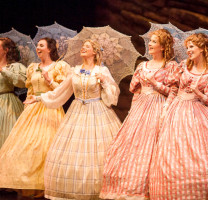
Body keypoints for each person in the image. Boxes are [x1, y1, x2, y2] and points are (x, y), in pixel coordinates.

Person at [25, 39, 122, 200]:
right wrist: (38, 98)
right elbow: (60, 92)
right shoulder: (75, 71)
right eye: (82, 46)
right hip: (77, 111)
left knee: (97, 151)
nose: (83, 48)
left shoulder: (102, 70)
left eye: (87, 47)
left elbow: (112, 96)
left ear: (95, 52)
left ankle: (100, 188)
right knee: (72, 153)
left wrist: (104, 82)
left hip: (97, 112)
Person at [100, 29, 179, 199]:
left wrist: (156, 85)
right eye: (150, 41)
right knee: (132, 145)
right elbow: (135, 91)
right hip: (140, 108)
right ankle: (129, 189)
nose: (149, 44)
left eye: (154, 41)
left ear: (163, 46)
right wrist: (132, 111)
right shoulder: (142, 65)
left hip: (160, 107)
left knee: (152, 147)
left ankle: (150, 189)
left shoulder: (171, 66)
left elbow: (174, 91)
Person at [148, 33, 208, 200]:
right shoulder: (183, 66)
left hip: (199, 115)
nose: (188, 50)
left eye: (191, 47)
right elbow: (173, 90)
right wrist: (165, 109)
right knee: (172, 154)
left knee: (202, 156)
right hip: (177, 112)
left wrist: (199, 94)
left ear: (202, 49)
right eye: (187, 47)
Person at [0, 37, 69, 197]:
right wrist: (28, 101)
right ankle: (28, 183)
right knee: (27, 146)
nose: (38, 48)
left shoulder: (59, 66)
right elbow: (30, 88)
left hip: (50, 108)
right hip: (32, 109)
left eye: (41, 45)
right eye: (37, 45)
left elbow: (63, 91)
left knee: (46, 146)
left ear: (50, 49)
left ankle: (47, 184)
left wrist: (49, 80)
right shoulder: (32, 67)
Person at [0, 37, 26, 148]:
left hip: (7, 103)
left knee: (7, 138)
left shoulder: (15, 66)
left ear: (6, 50)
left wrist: (4, 71)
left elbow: (23, 82)